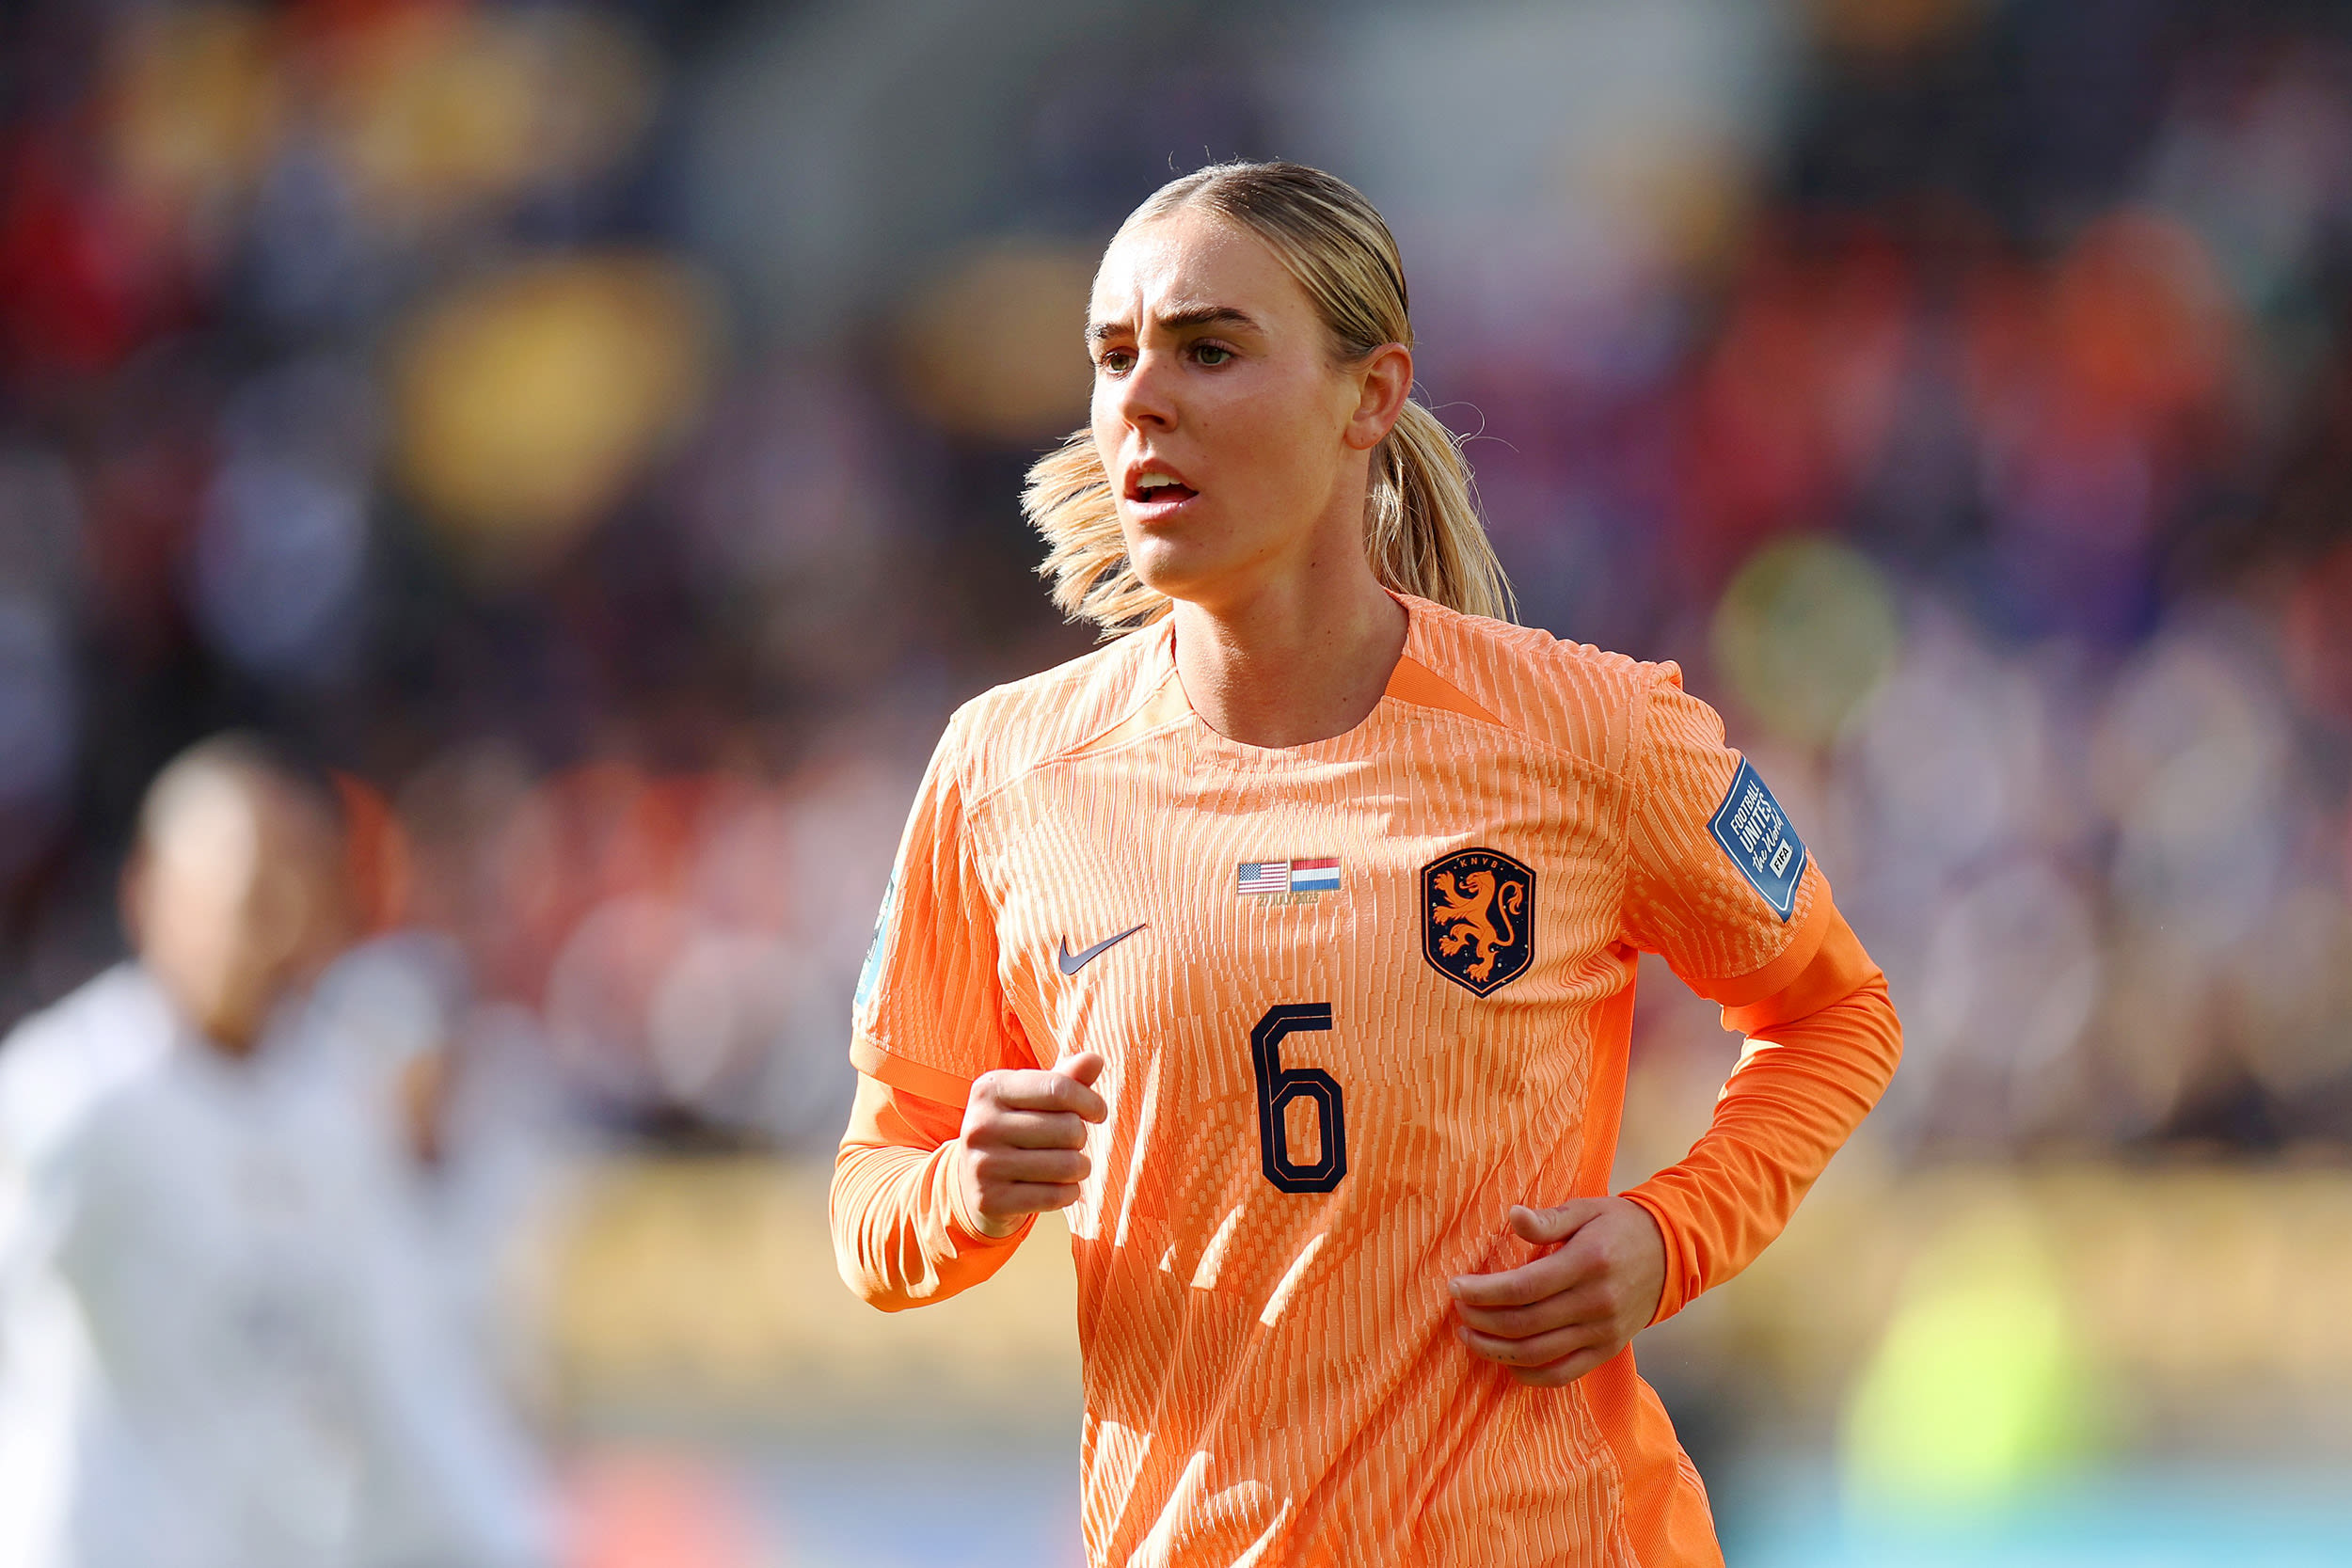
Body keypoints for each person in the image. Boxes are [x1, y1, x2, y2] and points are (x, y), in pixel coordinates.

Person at [829, 162, 1901, 1567]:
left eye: (1209, 348)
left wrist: (1669, 1235)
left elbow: (1834, 1014)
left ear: (1371, 395)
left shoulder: (1595, 730)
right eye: (1112, 356)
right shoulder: (1004, 772)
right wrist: (961, 1191)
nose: (1140, 399)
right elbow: (874, 1189)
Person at [0, 735, 555, 1568]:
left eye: (299, 890)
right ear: (149, 893)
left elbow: (401, 1367)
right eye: (247, 896)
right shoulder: (70, 1102)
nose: (272, 928)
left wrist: (502, 1542)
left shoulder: (335, 1111)